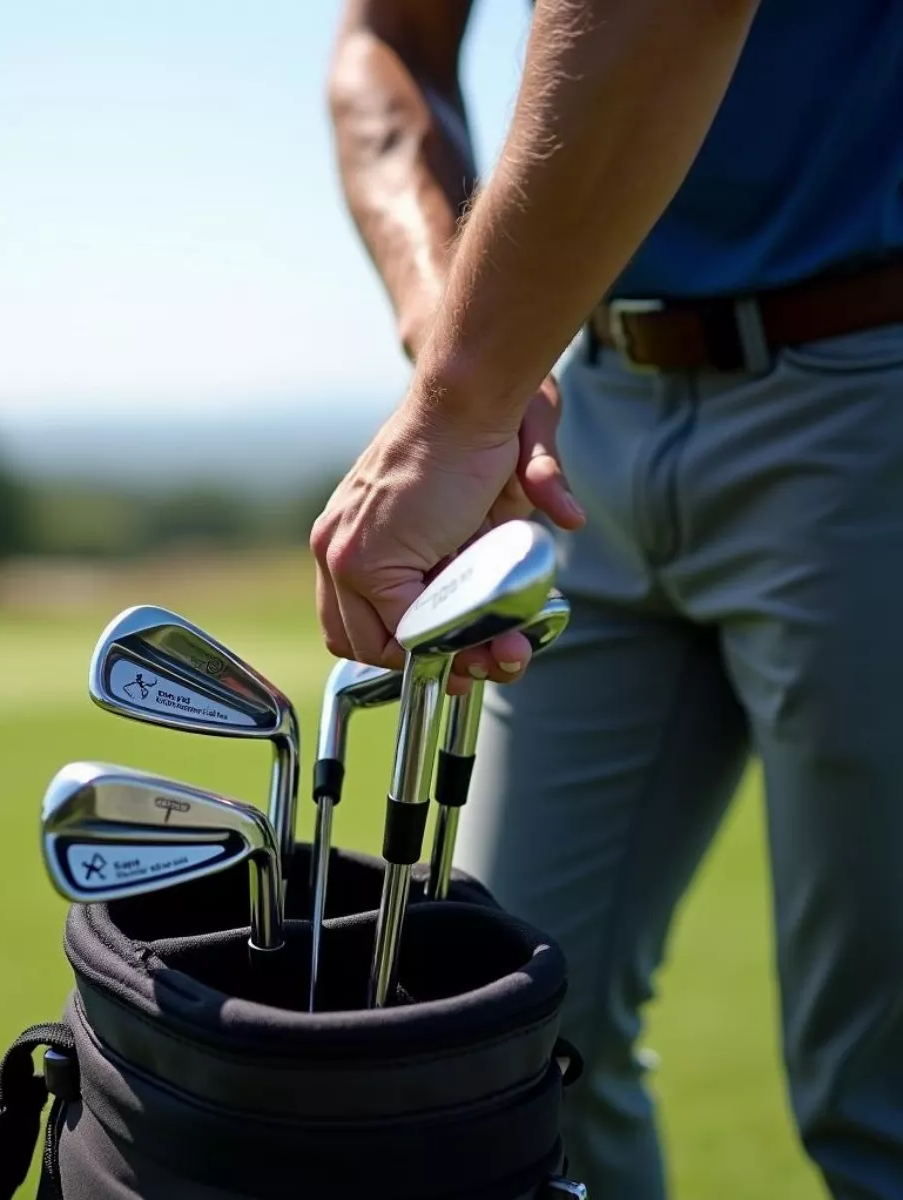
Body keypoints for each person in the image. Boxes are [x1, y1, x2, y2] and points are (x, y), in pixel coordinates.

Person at [311, 1, 903, 1197]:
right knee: (509, 1050)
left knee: (877, 1102)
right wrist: (469, 353)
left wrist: (459, 408)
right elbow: (386, 48)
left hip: (875, 382)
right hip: (590, 423)